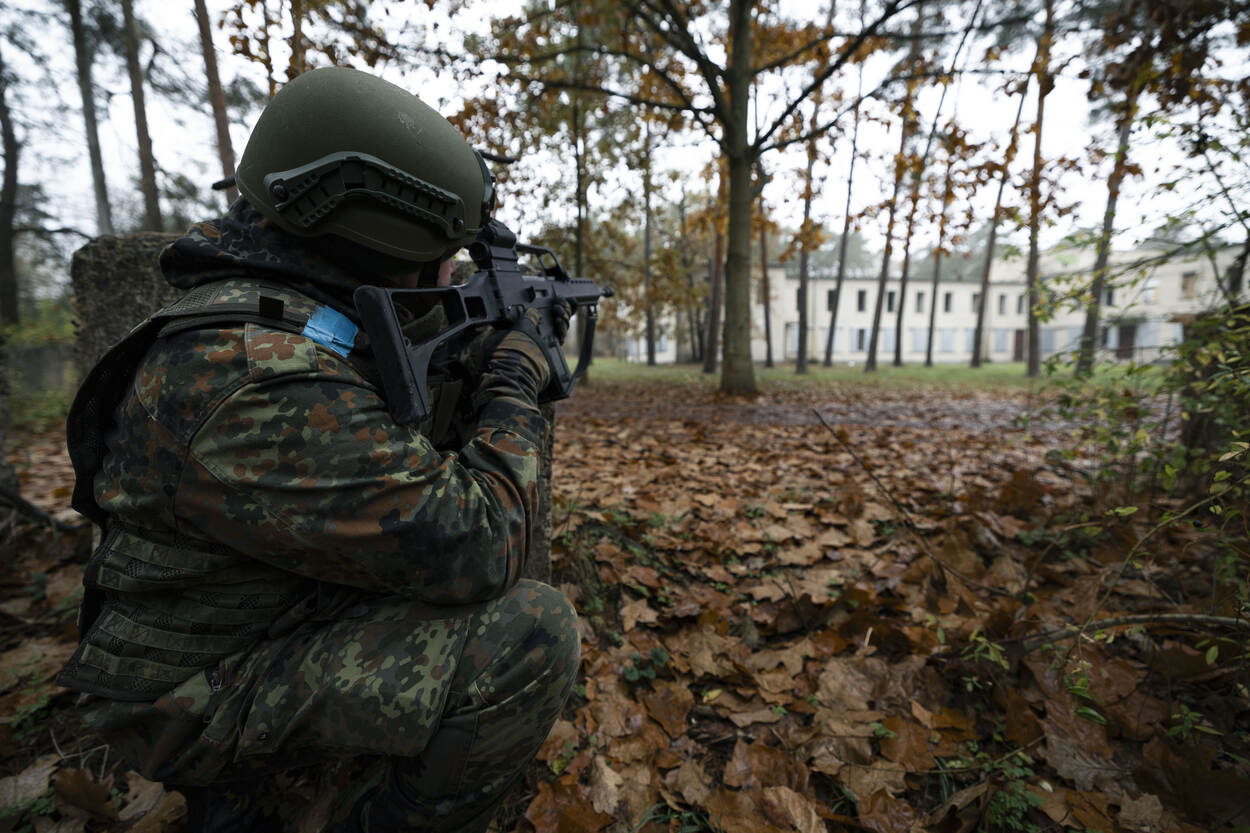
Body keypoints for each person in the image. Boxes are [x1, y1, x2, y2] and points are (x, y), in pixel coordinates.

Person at [57, 66, 580, 833]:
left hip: (257, 617)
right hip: (179, 702)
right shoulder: (253, 373)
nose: (451, 271)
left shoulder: (275, 312)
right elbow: (483, 542)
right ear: (384, 239)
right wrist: (514, 378)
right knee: (531, 634)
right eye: (447, 253)